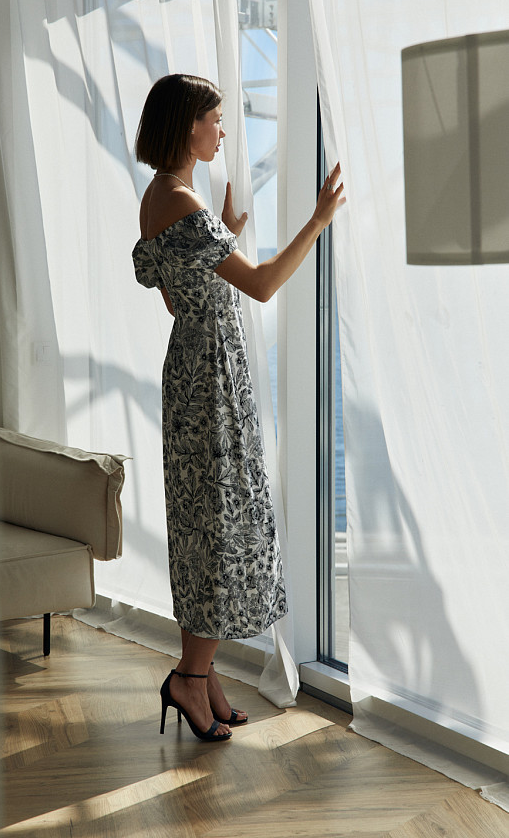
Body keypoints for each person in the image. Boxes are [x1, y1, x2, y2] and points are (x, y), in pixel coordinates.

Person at [133, 73, 344, 742]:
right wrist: (317, 220)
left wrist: (219, 233)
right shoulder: (182, 204)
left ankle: (202, 675)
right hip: (211, 381)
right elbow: (261, 285)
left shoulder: (160, 197)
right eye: (215, 119)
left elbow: (175, 294)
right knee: (218, 527)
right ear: (186, 125)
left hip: (193, 371)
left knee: (205, 525)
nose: (222, 131)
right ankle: (188, 679)